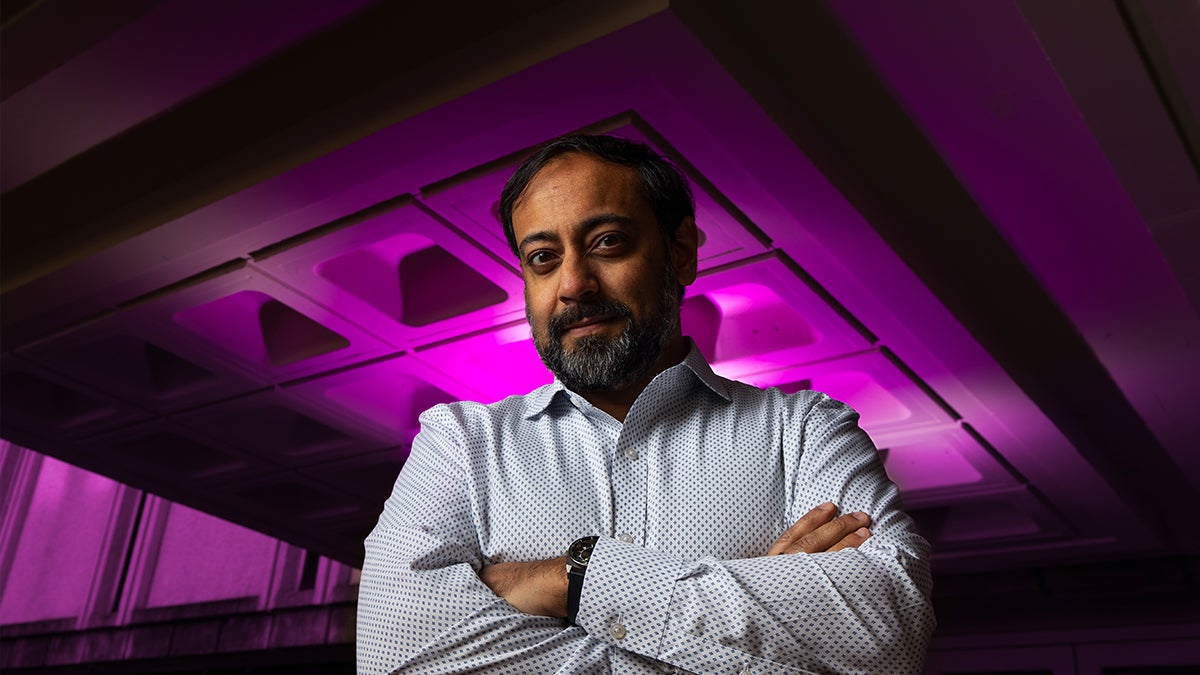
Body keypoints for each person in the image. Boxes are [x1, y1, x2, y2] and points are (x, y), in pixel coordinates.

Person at [357, 134, 935, 673]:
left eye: (608, 242)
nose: (573, 284)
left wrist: (573, 579)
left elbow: (891, 631)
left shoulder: (808, 429)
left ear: (681, 253)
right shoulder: (459, 441)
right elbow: (396, 656)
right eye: (543, 257)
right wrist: (756, 613)